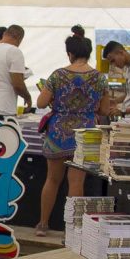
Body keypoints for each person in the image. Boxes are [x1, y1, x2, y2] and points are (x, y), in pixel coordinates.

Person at [34, 35, 109, 237]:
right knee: (76, 182)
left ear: (70, 53)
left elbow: (41, 103)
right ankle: (73, 229)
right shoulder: (100, 78)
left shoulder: (57, 75)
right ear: (89, 53)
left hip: (58, 132)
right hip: (85, 134)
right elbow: (104, 109)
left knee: (52, 179)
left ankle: (43, 224)